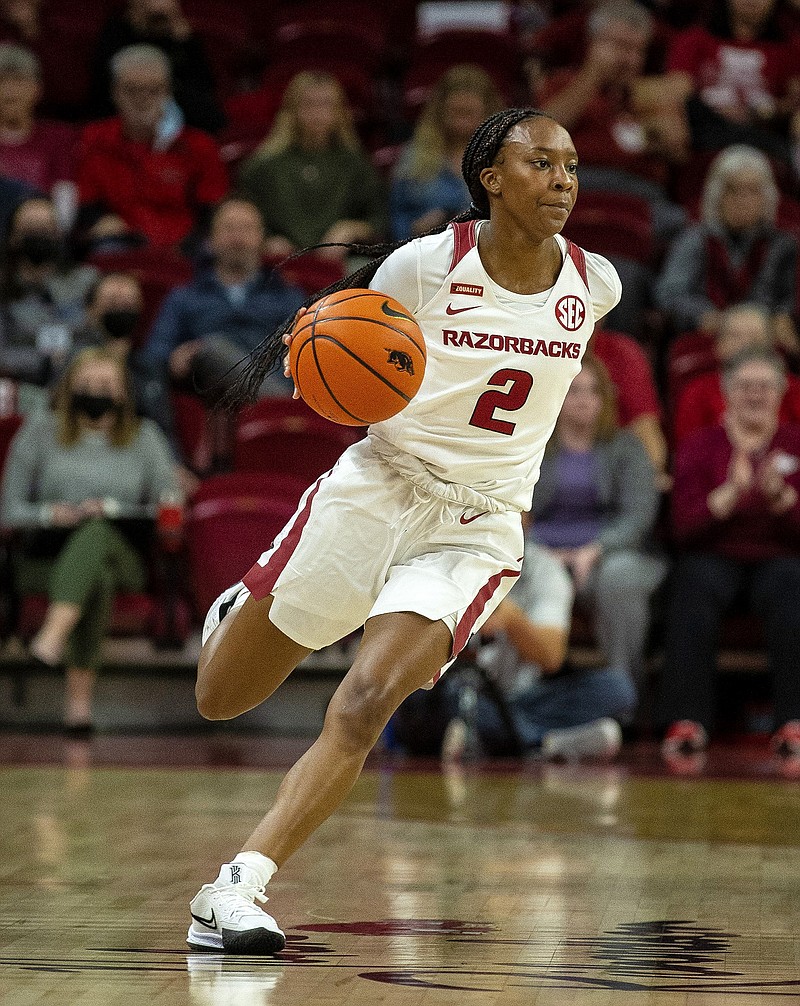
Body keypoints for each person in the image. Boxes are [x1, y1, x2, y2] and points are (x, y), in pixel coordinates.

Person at [184, 107, 621, 954]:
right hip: (378, 489)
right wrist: (323, 359)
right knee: (221, 697)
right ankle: (242, 606)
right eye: (541, 163)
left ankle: (238, 885)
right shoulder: (427, 266)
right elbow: (330, 342)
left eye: (571, 165)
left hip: (478, 522)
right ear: (490, 177)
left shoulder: (593, 283)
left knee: (368, 699)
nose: (563, 180)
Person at [0, 347, 178, 734]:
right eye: (87, 383)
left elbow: (169, 509)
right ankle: (78, 708)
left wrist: (114, 509)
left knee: (97, 532)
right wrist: (52, 513)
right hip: (45, 557)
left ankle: (53, 634)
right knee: (95, 578)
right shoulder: (40, 430)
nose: (97, 391)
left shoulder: (145, 437)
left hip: (124, 553)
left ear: (123, 392)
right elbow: (9, 508)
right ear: (69, 388)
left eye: (106, 384)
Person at [659, 347, 800, 758]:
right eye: (745, 386)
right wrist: (727, 497)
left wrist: (785, 501)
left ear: (781, 393)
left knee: (793, 587)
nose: (755, 395)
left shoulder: (795, 441)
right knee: (692, 584)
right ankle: (687, 720)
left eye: (765, 387)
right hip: (713, 554)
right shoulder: (700, 445)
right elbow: (680, 529)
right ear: (726, 392)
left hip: (781, 557)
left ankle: (794, 722)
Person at [528, 354, 666, 693]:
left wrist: (595, 550)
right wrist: (543, 553)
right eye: (574, 391)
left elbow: (638, 517)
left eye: (593, 392)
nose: (584, 400)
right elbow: (513, 512)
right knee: (516, 570)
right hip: (541, 549)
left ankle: (622, 693)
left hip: (611, 552)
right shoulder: (533, 447)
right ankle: (517, 696)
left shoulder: (627, 447)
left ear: (605, 399)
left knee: (620, 579)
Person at [135, 197, 305, 465]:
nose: (237, 238)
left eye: (247, 229)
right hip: (206, 394)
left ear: (262, 238)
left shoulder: (288, 298)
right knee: (211, 350)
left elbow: (304, 357)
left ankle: (272, 405)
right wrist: (176, 358)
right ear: (211, 240)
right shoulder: (183, 298)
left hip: (273, 379)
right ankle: (272, 406)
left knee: (214, 348)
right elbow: (154, 357)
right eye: (228, 229)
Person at [437, 540, 636, 762]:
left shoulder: (545, 569)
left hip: (527, 697)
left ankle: (503, 739)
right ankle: (548, 744)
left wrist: (512, 621)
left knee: (616, 688)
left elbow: (552, 657)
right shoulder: (449, 559)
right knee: (439, 702)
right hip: (463, 691)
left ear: (527, 517)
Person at [76, 44, 228, 252]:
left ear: (168, 92)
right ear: (114, 92)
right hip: (121, 243)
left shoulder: (199, 145)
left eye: (154, 90)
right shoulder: (94, 140)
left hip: (186, 249)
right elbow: (85, 204)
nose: (142, 98)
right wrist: (100, 221)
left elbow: (212, 211)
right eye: (132, 89)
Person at [655, 144, 798, 351]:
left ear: (768, 198)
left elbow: (786, 301)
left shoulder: (783, 244)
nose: (743, 200)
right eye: (734, 190)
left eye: (753, 191)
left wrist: (767, 319)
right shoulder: (694, 239)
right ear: (716, 195)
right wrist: (709, 317)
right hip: (706, 333)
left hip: (764, 335)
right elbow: (669, 293)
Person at [237, 71, 386, 263]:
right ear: (291, 110)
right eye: (309, 104)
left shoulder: (355, 163)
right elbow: (242, 211)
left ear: (340, 111)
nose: (317, 113)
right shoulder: (264, 166)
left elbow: (379, 217)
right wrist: (266, 239)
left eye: (326, 104)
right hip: (277, 263)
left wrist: (351, 228)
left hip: (341, 263)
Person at [0, 195, 97, 412]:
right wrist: (44, 358)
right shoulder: (3, 288)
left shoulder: (86, 281)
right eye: (31, 227)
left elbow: (98, 338)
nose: (39, 233)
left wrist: (68, 364)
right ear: (13, 237)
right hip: (22, 387)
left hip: (81, 385)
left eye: (46, 226)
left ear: (59, 233)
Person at [389, 64, 503, 241]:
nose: (463, 118)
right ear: (440, 109)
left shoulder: (505, 158)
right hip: (424, 251)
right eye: (457, 111)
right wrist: (415, 227)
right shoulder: (413, 158)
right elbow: (396, 217)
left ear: (488, 112)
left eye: (469, 112)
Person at [88, 0, 224, 134]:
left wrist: (182, 42)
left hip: (180, 124)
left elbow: (207, 101)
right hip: (120, 128)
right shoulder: (115, 33)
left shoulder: (183, 42)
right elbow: (102, 93)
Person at [674, 303, 800, 445]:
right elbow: (688, 449)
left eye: (755, 338)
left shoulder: (793, 388)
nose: (745, 345)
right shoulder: (697, 392)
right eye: (735, 336)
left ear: (772, 346)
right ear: (719, 346)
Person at [0, 43, 76, 205]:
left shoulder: (58, 137)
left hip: (42, 224)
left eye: (19, 80)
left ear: (37, 89)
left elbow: (65, 191)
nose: (9, 90)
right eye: (2, 81)